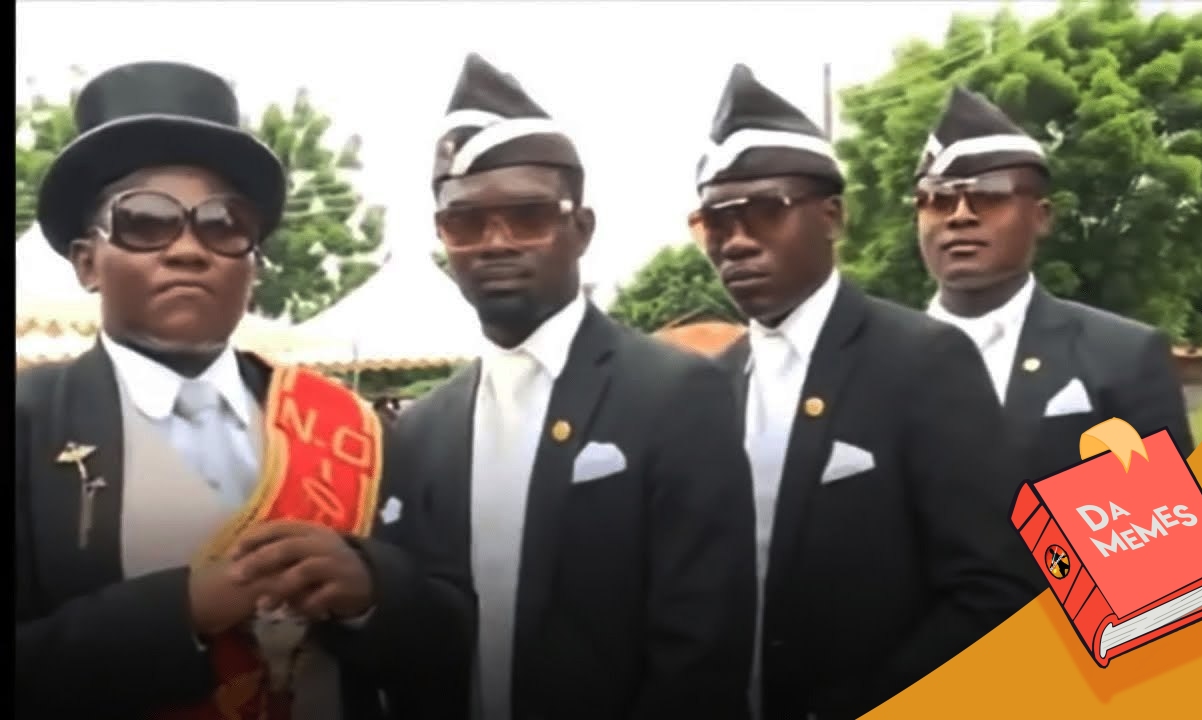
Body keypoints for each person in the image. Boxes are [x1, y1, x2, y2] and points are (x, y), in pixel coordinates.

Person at [15, 61, 474, 719]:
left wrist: (373, 591)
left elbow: (454, 639)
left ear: (252, 262)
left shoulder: (351, 429)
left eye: (223, 224)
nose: (188, 249)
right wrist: (179, 614)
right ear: (88, 261)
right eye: (145, 220)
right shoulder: (28, 424)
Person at [391, 53, 757, 720]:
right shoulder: (423, 428)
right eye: (465, 222)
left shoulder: (675, 394)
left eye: (527, 215)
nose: (495, 242)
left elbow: (703, 650)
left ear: (580, 229)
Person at [693, 65, 1039, 720]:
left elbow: (994, 588)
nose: (736, 240)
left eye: (766, 211)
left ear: (832, 217)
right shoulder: (709, 384)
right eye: (715, 219)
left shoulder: (922, 360)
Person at [913, 87, 1195, 545]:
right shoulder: (864, 364)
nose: (960, 217)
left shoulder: (1120, 358)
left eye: (989, 195)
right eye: (938, 199)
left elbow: (1158, 569)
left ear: (1042, 217)